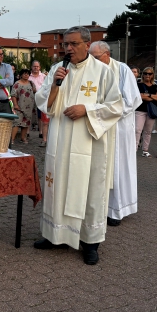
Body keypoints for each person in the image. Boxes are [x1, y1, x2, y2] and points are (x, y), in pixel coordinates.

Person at [33, 26, 123, 265]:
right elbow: (43, 102)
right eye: (65, 44)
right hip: (60, 139)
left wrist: (87, 109)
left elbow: (116, 106)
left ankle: (90, 242)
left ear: (87, 43)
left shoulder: (103, 72)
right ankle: (55, 235)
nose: (68, 49)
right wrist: (55, 84)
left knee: (90, 191)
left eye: (73, 44)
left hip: (89, 142)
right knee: (58, 185)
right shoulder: (57, 69)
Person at [89, 41, 142, 227]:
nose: (92, 60)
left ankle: (116, 209)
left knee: (118, 167)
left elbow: (132, 99)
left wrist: (104, 114)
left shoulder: (122, 70)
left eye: (95, 57)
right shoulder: (91, 69)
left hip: (118, 127)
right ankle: (96, 208)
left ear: (107, 54)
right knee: (98, 167)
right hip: (96, 125)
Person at [135, 67, 157, 157]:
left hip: (151, 111)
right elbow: (139, 96)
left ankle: (145, 150)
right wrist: (153, 96)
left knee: (148, 131)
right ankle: (134, 149)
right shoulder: (138, 84)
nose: (147, 75)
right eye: (145, 73)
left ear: (152, 75)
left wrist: (148, 95)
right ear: (142, 74)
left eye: (150, 74)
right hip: (140, 109)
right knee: (137, 130)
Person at [10, 69, 37, 144]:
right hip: (19, 106)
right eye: (24, 74)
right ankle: (12, 139)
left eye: (28, 74)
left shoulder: (31, 83)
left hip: (29, 107)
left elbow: (35, 91)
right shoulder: (17, 84)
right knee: (17, 123)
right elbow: (13, 95)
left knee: (26, 124)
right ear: (21, 75)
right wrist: (15, 105)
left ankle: (23, 138)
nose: (26, 75)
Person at [29, 60, 49, 147]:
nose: (36, 68)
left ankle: (41, 132)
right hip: (31, 97)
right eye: (34, 66)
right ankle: (28, 132)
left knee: (41, 116)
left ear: (39, 67)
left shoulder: (44, 76)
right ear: (31, 67)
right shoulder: (29, 77)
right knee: (30, 114)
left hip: (42, 98)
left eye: (37, 66)